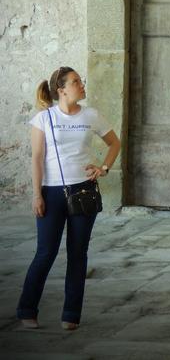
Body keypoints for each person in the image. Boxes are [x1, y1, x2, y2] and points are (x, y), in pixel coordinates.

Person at [16, 66, 121, 330]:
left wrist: (104, 168)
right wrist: (37, 194)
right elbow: (37, 158)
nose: (81, 85)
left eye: (80, 81)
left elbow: (114, 143)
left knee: (78, 254)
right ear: (62, 90)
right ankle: (27, 310)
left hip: (84, 191)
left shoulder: (91, 115)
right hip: (51, 193)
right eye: (76, 82)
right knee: (45, 252)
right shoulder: (43, 119)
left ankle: (71, 315)